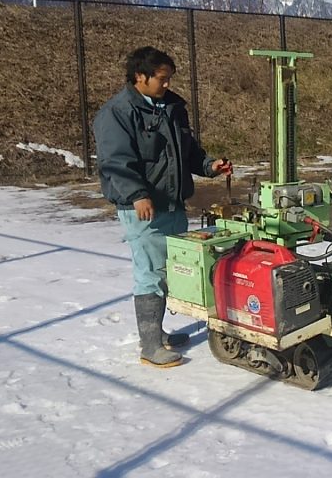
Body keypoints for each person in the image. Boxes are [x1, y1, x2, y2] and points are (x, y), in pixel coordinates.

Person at [94, 46, 233, 368]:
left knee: (171, 269)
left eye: (169, 78)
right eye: (162, 78)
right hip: (143, 208)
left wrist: (211, 165)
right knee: (150, 274)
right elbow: (115, 163)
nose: (167, 84)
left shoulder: (170, 107)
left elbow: (188, 151)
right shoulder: (116, 113)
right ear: (140, 77)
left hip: (171, 203)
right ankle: (150, 346)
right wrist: (137, 194)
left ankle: (158, 330)